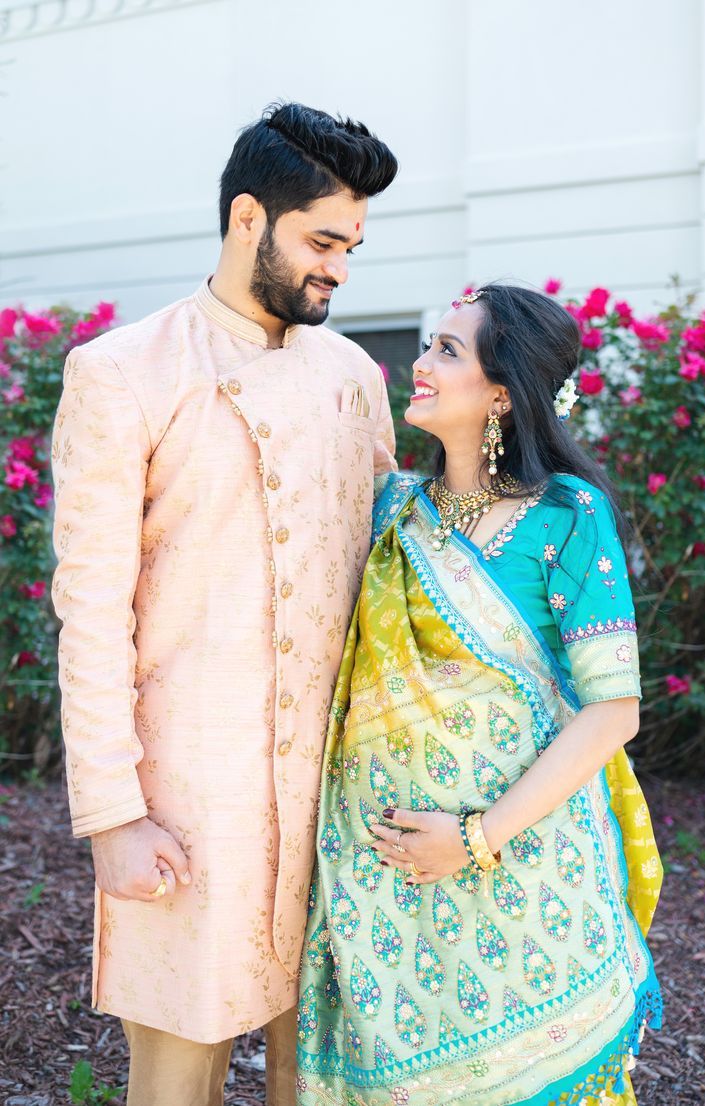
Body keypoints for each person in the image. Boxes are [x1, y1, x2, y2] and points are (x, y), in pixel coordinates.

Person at [50, 102, 398, 1106]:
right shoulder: (123, 371)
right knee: (177, 1078)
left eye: (353, 246)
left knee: (321, 1074)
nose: (339, 267)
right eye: (323, 240)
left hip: (337, 794)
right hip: (190, 795)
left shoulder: (350, 375)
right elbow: (93, 605)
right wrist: (114, 813)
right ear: (250, 218)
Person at [296, 284, 663, 1106]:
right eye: (429, 346)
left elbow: (613, 710)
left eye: (449, 351)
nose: (421, 364)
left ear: (502, 392)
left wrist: (476, 837)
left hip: (524, 872)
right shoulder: (394, 512)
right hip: (383, 880)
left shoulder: (566, 516)